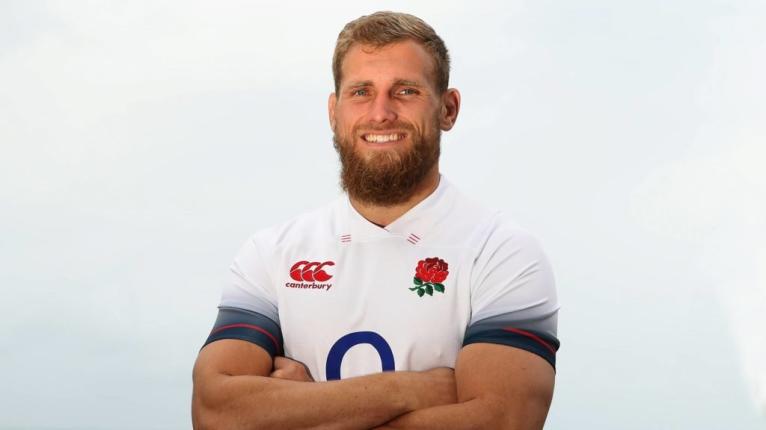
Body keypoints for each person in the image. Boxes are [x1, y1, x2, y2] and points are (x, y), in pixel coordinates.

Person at [192, 11, 560, 430]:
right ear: (334, 111)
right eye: (361, 92)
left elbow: (501, 421)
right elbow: (215, 413)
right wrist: (414, 389)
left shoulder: (502, 253)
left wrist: (302, 408)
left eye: (406, 91)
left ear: (448, 109)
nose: (381, 113)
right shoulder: (271, 254)